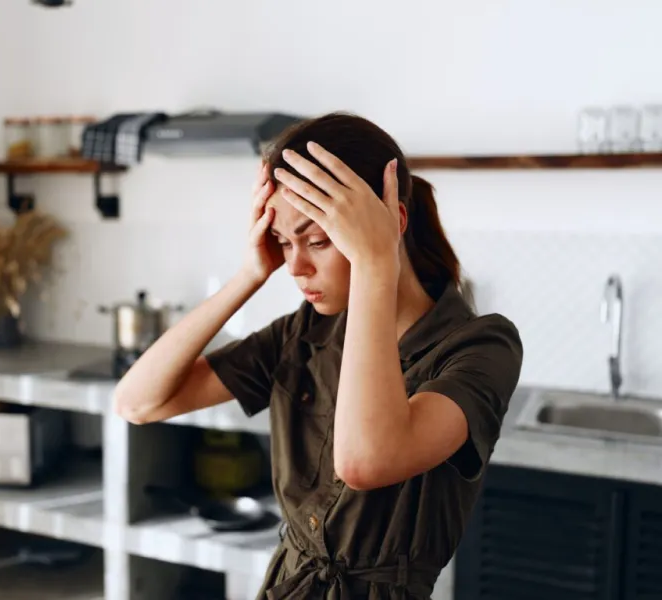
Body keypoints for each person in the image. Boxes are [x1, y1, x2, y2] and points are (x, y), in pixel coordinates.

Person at [114, 112, 523, 600]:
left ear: (393, 223)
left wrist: (376, 264)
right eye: (283, 243)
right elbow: (138, 403)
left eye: (318, 240)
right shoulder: (306, 332)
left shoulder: (481, 347)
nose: (295, 266)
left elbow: (365, 461)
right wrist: (248, 275)